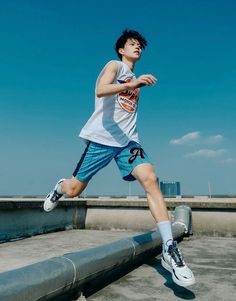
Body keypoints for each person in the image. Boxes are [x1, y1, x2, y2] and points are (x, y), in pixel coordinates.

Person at [43, 29, 195, 287]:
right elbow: (102, 90)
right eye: (132, 44)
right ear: (121, 50)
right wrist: (132, 84)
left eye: (140, 45)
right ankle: (59, 188)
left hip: (128, 143)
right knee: (74, 189)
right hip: (102, 140)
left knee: (151, 179)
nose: (137, 48)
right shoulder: (114, 66)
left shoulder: (136, 78)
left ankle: (170, 250)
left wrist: (134, 84)